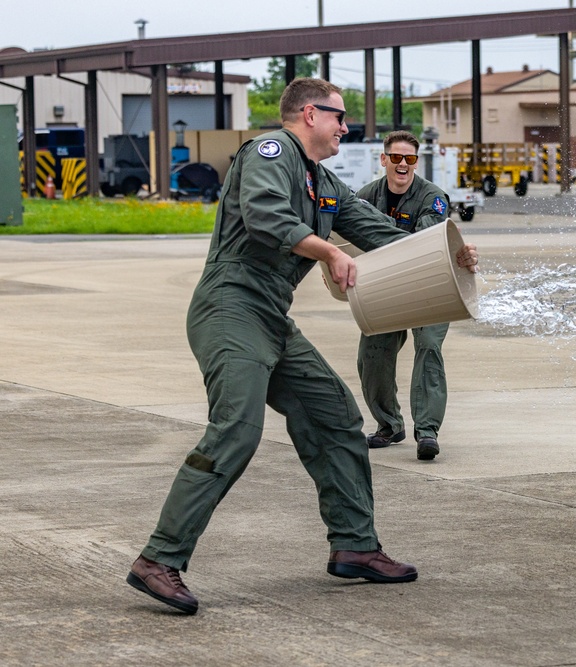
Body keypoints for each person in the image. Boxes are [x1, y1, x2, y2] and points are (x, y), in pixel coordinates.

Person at [126, 78, 479, 615]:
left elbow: (386, 234)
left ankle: (356, 546)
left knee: (335, 417)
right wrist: (329, 253)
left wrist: (451, 252)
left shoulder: (324, 183)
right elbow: (266, 214)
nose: (346, 128)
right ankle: (159, 559)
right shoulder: (271, 152)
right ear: (310, 114)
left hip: (270, 316)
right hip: (230, 307)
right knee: (237, 430)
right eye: (341, 118)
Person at [354, 131, 452, 461]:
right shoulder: (365, 195)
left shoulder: (434, 196)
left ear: (416, 162)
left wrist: (373, 225)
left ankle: (427, 432)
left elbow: (421, 239)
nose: (402, 165)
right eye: (395, 158)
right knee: (373, 351)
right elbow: (344, 234)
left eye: (409, 159)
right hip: (388, 284)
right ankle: (389, 425)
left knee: (428, 347)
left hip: (430, 283)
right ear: (384, 160)